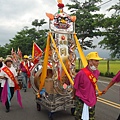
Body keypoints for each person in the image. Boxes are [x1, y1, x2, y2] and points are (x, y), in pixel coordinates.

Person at [73, 52, 103, 120]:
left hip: (91, 99)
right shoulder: (81, 73)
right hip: (81, 100)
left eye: (98, 61)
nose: (98, 63)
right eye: (96, 61)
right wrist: (74, 96)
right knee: (79, 117)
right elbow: (75, 87)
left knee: (91, 117)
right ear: (90, 61)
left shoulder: (97, 72)